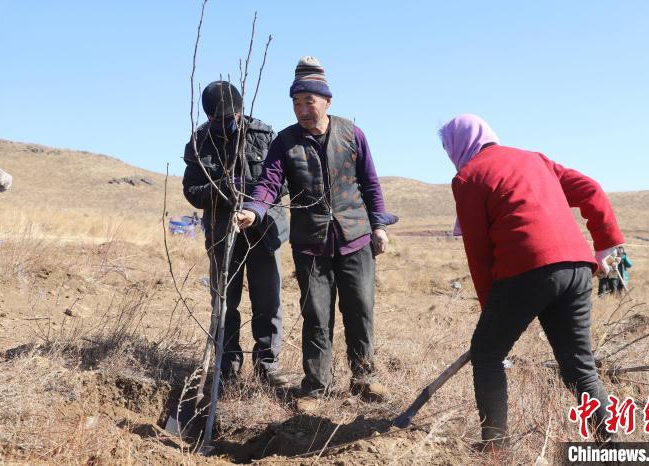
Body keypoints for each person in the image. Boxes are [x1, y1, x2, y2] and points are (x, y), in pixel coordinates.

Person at [440, 114, 624, 451]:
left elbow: (479, 255)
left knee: (487, 355)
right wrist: (605, 243)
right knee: (580, 367)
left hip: (528, 271)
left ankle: (494, 449)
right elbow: (591, 189)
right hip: (578, 269)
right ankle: (610, 446)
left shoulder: (469, 177)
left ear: (456, 145)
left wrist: (490, 312)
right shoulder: (534, 159)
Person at [236, 56, 397, 413]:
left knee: (360, 310)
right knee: (316, 314)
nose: (302, 109)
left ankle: (365, 378)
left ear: (327, 101)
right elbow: (269, 184)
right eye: (296, 103)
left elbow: (371, 185)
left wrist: (379, 226)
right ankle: (317, 385)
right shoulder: (285, 142)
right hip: (311, 244)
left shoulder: (351, 133)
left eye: (308, 101)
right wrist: (254, 209)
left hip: (355, 238)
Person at [182, 80, 289, 389]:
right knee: (225, 301)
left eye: (232, 116)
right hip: (222, 233)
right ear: (210, 117)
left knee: (268, 300)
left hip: (263, 232)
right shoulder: (200, 141)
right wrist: (223, 191)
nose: (228, 123)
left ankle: (266, 365)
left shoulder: (264, 135)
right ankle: (227, 365)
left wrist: (255, 197)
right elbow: (192, 191)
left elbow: (283, 182)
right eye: (219, 119)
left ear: (241, 111)